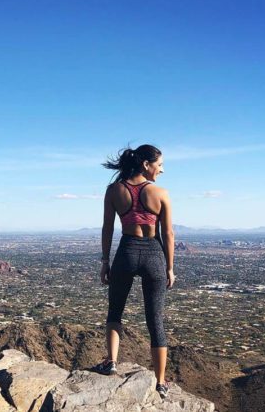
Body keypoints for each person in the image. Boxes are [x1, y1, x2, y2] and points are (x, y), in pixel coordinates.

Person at [92, 144, 175, 400]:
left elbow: (108, 228)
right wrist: (170, 267)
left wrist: (105, 261)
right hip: (153, 254)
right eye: (159, 164)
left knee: (115, 310)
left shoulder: (114, 190)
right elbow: (168, 233)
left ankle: (111, 361)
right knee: (155, 320)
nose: (161, 169)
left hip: (126, 252)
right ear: (146, 165)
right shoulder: (160, 193)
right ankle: (160, 382)